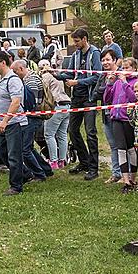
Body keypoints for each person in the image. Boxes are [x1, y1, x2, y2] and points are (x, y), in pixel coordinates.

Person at [54, 29, 101, 181]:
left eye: (77, 41)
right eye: (74, 41)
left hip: (89, 97)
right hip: (76, 97)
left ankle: (94, 168)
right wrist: (54, 74)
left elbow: (97, 77)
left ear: (85, 39)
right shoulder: (75, 55)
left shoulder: (95, 54)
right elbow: (70, 73)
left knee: (90, 132)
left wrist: (78, 82)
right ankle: (84, 161)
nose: (75, 44)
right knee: (73, 130)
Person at [11, 60, 53, 182]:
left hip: (32, 116)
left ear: (21, 68)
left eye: (15, 71)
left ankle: (39, 174)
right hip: (32, 116)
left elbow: (31, 102)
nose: (14, 74)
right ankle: (46, 169)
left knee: (25, 149)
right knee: (28, 147)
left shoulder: (31, 81)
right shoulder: (29, 79)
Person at [0, 52, 28, 195]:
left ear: (3, 63)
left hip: (14, 123)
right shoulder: (2, 79)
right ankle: (24, 174)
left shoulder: (13, 80)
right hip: (3, 122)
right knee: (2, 152)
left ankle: (16, 186)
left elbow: (15, 102)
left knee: (14, 155)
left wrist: (5, 121)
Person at [103, 58, 138, 192]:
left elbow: (134, 98)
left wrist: (124, 82)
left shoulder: (135, 82)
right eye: (123, 68)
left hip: (128, 120)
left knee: (131, 149)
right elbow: (107, 99)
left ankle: (133, 178)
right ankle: (126, 180)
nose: (124, 71)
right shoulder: (117, 83)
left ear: (134, 69)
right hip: (116, 118)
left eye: (128, 68)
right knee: (120, 149)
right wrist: (110, 84)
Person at [94, 50, 123, 184]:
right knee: (113, 146)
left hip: (120, 115)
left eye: (108, 60)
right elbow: (96, 93)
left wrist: (106, 88)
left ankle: (125, 173)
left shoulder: (121, 74)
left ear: (115, 60)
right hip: (107, 115)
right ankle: (116, 173)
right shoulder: (103, 75)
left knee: (122, 145)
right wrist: (107, 86)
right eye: (103, 60)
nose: (105, 63)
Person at [39, 59, 70, 169]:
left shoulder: (45, 77)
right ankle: (62, 160)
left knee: (49, 135)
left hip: (55, 106)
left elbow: (42, 90)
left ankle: (53, 161)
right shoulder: (58, 75)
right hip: (66, 104)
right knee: (62, 135)